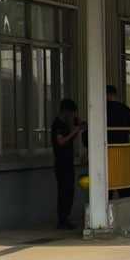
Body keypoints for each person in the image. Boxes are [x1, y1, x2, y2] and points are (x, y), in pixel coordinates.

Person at [51, 97, 86, 230]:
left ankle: (66, 218)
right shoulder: (58, 124)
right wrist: (75, 131)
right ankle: (62, 219)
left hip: (68, 162)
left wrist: (77, 129)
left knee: (69, 190)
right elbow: (61, 141)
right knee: (64, 191)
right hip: (61, 163)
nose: (72, 116)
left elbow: (69, 139)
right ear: (65, 112)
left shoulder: (65, 125)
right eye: (71, 114)